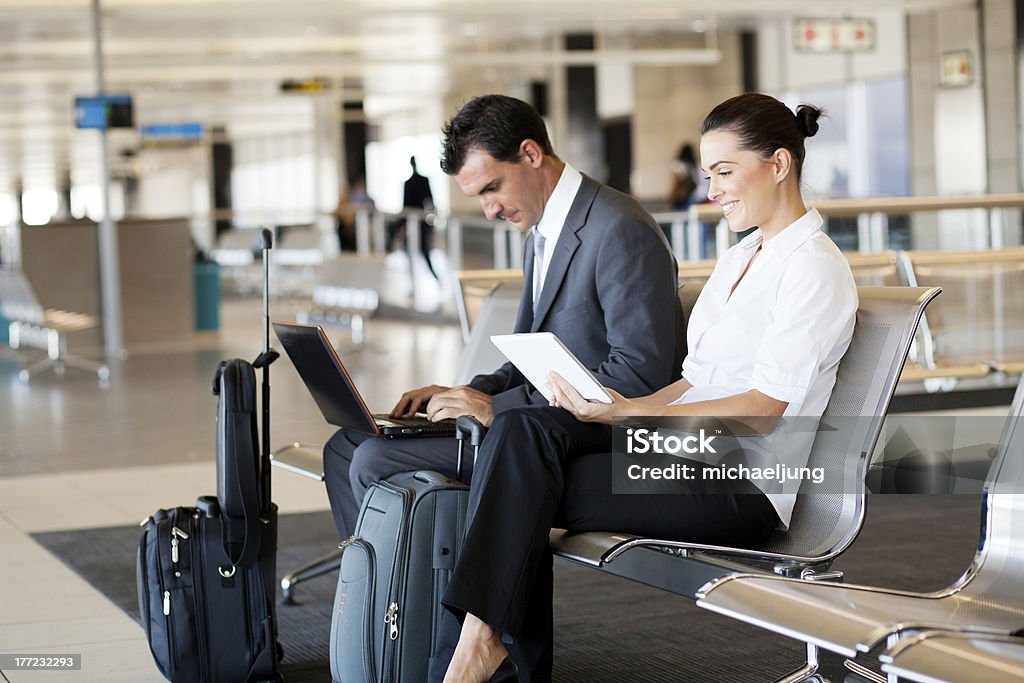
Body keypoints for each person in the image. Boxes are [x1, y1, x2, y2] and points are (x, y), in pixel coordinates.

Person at [439, 92, 859, 683]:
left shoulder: (813, 268)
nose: (710, 191)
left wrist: (630, 419)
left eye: (724, 172)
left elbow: (766, 409)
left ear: (780, 164)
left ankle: (479, 653)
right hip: (678, 456)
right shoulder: (741, 258)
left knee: (517, 482)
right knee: (520, 435)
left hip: (739, 483)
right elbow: (692, 380)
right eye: (708, 174)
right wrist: (617, 409)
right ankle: (485, 647)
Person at [322, 93, 684, 544]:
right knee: (345, 448)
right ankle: (370, 601)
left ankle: (413, 610)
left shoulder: (618, 227)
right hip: (537, 423)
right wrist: (470, 393)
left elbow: (639, 377)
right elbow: (527, 358)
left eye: (492, 188)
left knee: (376, 459)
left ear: (531, 154)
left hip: (596, 437)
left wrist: (497, 409)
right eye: (478, 197)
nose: (489, 210)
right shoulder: (544, 231)